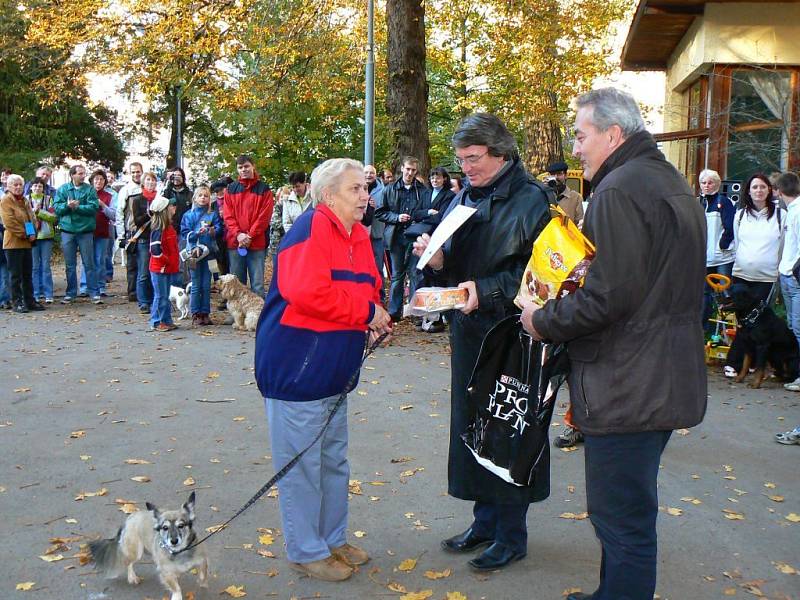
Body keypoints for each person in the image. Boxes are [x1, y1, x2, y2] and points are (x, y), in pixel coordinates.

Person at [520, 88, 707, 600]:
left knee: (620, 517)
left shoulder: (621, 189)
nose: (576, 148)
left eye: (581, 136)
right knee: (625, 511)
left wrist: (543, 320)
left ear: (613, 134)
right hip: (657, 375)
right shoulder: (669, 181)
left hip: (630, 381)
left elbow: (608, 298)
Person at [412, 113, 552, 571]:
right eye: (461, 160)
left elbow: (543, 275)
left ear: (501, 153)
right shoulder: (464, 197)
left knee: (509, 430)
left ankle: (512, 534)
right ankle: (485, 522)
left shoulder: (532, 200)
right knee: (473, 425)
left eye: (473, 159)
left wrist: (486, 289)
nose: (465, 168)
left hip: (513, 333)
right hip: (470, 330)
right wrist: (435, 263)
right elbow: (457, 265)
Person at [255, 158, 391, 582]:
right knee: (302, 466)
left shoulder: (358, 234)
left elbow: (369, 285)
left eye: (365, 188)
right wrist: (366, 313)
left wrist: (374, 318)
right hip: (298, 367)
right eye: (355, 189)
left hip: (335, 368)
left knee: (333, 461)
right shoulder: (310, 227)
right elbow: (305, 292)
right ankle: (306, 549)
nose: (365, 196)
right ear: (328, 195)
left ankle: (332, 539)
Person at [376, 156, 431, 320]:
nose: (410, 173)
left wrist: (417, 218)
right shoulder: (389, 189)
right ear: (402, 168)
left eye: (413, 170)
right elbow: (380, 212)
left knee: (415, 273)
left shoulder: (422, 190)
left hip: (415, 237)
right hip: (396, 237)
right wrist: (396, 217)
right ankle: (394, 312)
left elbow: (427, 212)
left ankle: (415, 312)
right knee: (397, 275)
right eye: (408, 169)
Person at [223, 155, 274, 297]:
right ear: (237, 169)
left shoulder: (264, 189)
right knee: (237, 284)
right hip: (235, 243)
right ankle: (238, 317)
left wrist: (250, 235)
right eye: (240, 167)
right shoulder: (230, 189)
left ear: (253, 166)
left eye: (246, 166)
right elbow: (228, 216)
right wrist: (238, 234)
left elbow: (264, 217)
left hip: (256, 243)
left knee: (257, 284)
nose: (243, 170)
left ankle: (258, 317)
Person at [732, 173, 785, 303]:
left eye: (763, 187)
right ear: (749, 191)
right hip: (740, 276)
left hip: (766, 279)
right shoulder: (740, 215)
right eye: (754, 187)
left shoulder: (781, 216)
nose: (759, 190)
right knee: (741, 320)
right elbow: (737, 244)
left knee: (760, 320)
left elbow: (783, 247)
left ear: (769, 190)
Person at [54, 164, 102, 305]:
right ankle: (70, 293)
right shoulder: (63, 189)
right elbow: (57, 208)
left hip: (85, 231)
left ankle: (94, 292)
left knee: (89, 263)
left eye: (83, 173)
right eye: (80, 173)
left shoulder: (89, 189)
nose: (83, 176)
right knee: (70, 264)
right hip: (68, 231)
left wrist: (78, 207)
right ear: (72, 175)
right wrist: (67, 206)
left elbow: (94, 207)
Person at [699, 168, 736, 334]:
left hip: (722, 258)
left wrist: (723, 244)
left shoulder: (724, 202)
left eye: (710, 182)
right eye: (703, 182)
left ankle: (727, 333)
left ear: (717, 184)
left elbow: (730, 227)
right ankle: (702, 332)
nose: (706, 185)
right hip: (704, 259)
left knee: (724, 296)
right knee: (704, 296)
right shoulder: (697, 202)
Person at [181, 185, 223, 326]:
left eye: (206, 196)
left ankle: (205, 312)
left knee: (206, 284)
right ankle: (195, 313)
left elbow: (219, 229)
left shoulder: (213, 214)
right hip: (194, 253)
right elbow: (184, 232)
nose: (203, 198)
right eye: (200, 195)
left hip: (210, 253)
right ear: (195, 198)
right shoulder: (188, 215)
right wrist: (195, 235)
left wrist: (212, 230)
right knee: (196, 284)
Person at [0, 174, 43, 312]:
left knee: (27, 274)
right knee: (15, 275)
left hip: (27, 243)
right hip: (13, 243)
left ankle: (30, 301)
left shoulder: (24, 200)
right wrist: (25, 234)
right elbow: (9, 223)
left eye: (20, 184)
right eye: (15, 185)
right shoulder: (5, 201)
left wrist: (33, 233)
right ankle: (16, 302)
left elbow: (31, 218)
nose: (18, 187)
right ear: (9, 186)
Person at [776, 171, 800, 392]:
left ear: (779, 192)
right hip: (787, 275)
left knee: (799, 328)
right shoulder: (791, 211)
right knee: (793, 327)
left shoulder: (797, 212)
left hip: (794, 277)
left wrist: (793, 271)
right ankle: (794, 372)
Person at [79, 169, 115, 297]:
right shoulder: (85, 193)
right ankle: (85, 286)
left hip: (103, 232)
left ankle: (100, 286)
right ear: (91, 181)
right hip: (86, 231)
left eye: (101, 179)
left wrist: (103, 206)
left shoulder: (110, 196)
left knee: (100, 259)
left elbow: (113, 215)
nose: (98, 182)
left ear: (105, 181)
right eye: (96, 179)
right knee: (87, 260)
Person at [130, 172, 163, 313]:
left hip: (158, 238)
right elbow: (137, 221)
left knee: (156, 271)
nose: (151, 182)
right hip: (143, 238)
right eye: (148, 180)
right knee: (143, 272)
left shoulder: (161, 198)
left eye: (153, 180)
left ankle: (156, 298)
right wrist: (149, 213)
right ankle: (143, 301)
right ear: (143, 183)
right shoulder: (137, 200)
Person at [148, 196, 180, 331]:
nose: (173, 208)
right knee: (160, 296)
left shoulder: (169, 227)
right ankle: (156, 321)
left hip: (167, 268)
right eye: (169, 207)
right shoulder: (158, 229)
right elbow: (155, 250)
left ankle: (166, 319)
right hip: (159, 268)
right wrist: (165, 259)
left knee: (165, 296)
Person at [27, 176, 57, 304]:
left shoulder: (49, 199)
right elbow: (26, 219)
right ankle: (35, 293)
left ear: (43, 188)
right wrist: (30, 234)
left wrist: (39, 212)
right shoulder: (26, 200)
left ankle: (48, 293)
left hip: (46, 236)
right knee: (34, 266)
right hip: (33, 237)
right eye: (35, 186)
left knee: (46, 266)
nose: (37, 188)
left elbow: (53, 217)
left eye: (40, 186)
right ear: (31, 187)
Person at [362, 164, 385, 295]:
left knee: (377, 268)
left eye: (371, 173)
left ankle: (380, 296)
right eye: (366, 173)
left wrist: (375, 207)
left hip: (376, 235)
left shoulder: (383, 191)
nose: (369, 175)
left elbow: (386, 210)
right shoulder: (356, 189)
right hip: (359, 235)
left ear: (375, 175)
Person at [546, 161, 584, 226]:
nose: (555, 177)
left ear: (566, 176)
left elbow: (579, 223)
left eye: (559, 174)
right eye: (552, 174)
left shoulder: (576, 197)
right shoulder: (544, 196)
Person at [268, 185, 288, 257]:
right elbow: (275, 223)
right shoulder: (275, 208)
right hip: (276, 245)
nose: (283, 199)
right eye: (281, 197)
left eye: (285, 197)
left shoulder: (290, 208)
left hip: (288, 244)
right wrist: (288, 225)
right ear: (278, 197)